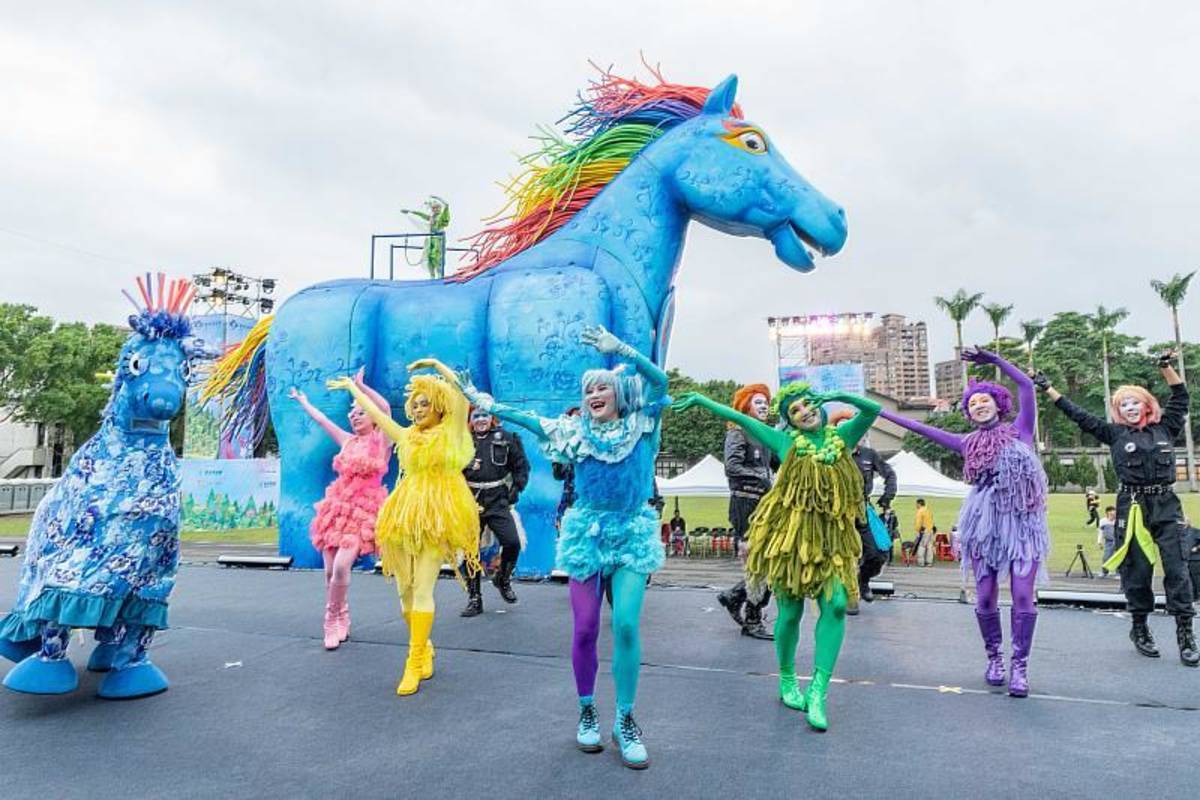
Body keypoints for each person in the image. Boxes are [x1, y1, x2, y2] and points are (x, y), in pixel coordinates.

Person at [455, 324, 667, 770]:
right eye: (588, 388)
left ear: (620, 394)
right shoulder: (574, 432)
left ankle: (625, 719)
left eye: (602, 387)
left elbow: (661, 383)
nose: (593, 393)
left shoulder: (643, 424)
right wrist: (484, 402)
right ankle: (587, 709)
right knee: (586, 627)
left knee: (626, 625)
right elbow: (527, 420)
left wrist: (622, 349)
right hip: (587, 534)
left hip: (630, 532)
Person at [673, 381, 880, 731]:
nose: (804, 412)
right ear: (790, 422)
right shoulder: (786, 443)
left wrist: (836, 396)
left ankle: (818, 690)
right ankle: (787, 679)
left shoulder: (841, 437)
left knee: (837, 604)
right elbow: (738, 418)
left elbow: (872, 410)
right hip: (791, 542)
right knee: (789, 613)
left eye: (807, 404)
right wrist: (701, 400)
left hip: (832, 543)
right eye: (794, 411)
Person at [880, 347, 1050, 697]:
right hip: (983, 524)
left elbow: (1027, 388)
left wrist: (997, 362)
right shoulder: (966, 442)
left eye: (985, 400)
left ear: (998, 404)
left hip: (1022, 523)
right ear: (968, 412)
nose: (980, 405)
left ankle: (1020, 666)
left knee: (1022, 594)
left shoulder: (1021, 430)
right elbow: (917, 426)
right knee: (985, 598)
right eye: (974, 403)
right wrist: (877, 413)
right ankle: (995, 659)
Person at [328, 358, 482, 696]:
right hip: (403, 516)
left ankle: (413, 661)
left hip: (436, 515)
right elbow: (381, 417)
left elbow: (460, 398)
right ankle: (424, 646)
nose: (418, 408)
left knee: (423, 589)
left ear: (439, 405)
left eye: (426, 402)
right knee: (405, 594)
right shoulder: (408, 436)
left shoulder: (452, 431)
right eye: (415, 403)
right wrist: (353, 388)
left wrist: (437, 366)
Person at [1035, 350, 1198, 667]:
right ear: (1118, 411)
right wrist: (1048, 388)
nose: (1130, 408)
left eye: (1135, 402)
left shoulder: (1167, 427)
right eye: (1123, 405)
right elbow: (1078, 415)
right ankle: (1140, 628)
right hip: (1132, 505)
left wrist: (1165, 366)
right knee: (1137, 572)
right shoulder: (1115, 434)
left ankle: (1186, 635)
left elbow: (1181, 394)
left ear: (1146, 404)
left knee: (1178, 570)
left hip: (1166, 505)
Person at [289, 370, 391, 650]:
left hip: (364, 510)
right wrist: (302, 401)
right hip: (336, 508)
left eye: (360, 412)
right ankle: (341, 614)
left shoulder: (383, 439)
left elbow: (384, 408)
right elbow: (321, 420)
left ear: (371, 417)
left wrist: (359, 387)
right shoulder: (347, 441)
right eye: (352, 413)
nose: (354, 416)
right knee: (329, 572)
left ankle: (330, 619)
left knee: (343, 566)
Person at [715, 384, 778, 640]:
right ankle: (751, 618)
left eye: (766, 402)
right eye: (758, 402)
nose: (764, 406)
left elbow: (780, 462)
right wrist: (762, 477)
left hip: (765, 506)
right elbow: (731, 467)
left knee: (770, 562)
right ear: (745, 406)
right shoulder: (737, 433)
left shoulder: (765, 435)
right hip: (746, 504)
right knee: (759, 563)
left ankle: (735, 597)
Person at [460, 408, 530, 617]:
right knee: (470, 550)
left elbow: (521, 466)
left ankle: (503, 578)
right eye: (476, 416)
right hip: (470, 499)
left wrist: (515, 490)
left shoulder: (506, 438)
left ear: (491, 418)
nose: (480, 420)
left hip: (498, 499)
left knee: (512, 542)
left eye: (484, 415)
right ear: (470, 420)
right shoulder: (461, 441)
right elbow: (450, 470)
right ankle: (474, 598)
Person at [848, 432, 897, 614]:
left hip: (862, 509)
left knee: (878, 553)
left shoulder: (869, 455)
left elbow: (890, 474)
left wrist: (887, 497)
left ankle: (863, 580)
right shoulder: (832, 453)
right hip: (836, 512)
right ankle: (847, 597)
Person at [1097, 506, 1118, 577]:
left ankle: (1118, 573)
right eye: (1112, 512)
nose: (1114, 514)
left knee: (1118, 557)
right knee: (1106, 557)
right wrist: (1099, 542)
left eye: (1114, 512)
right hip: (1108, 541)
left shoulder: (1118, 521)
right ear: (1107, 513)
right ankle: (1104, 572)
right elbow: (1101, 532)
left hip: (1118, 541)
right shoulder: (1103, 521)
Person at [914, 499, 935, 567]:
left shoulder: (920, 511)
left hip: (924, 531)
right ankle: (929, 562)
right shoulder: (928, 510)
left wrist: (917, 531)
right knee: (929, 546)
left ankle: (921, 562)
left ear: (919, 504)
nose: (916, 505)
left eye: (916, 504)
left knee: (922, 546)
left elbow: (918, 523)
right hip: (930, 530)